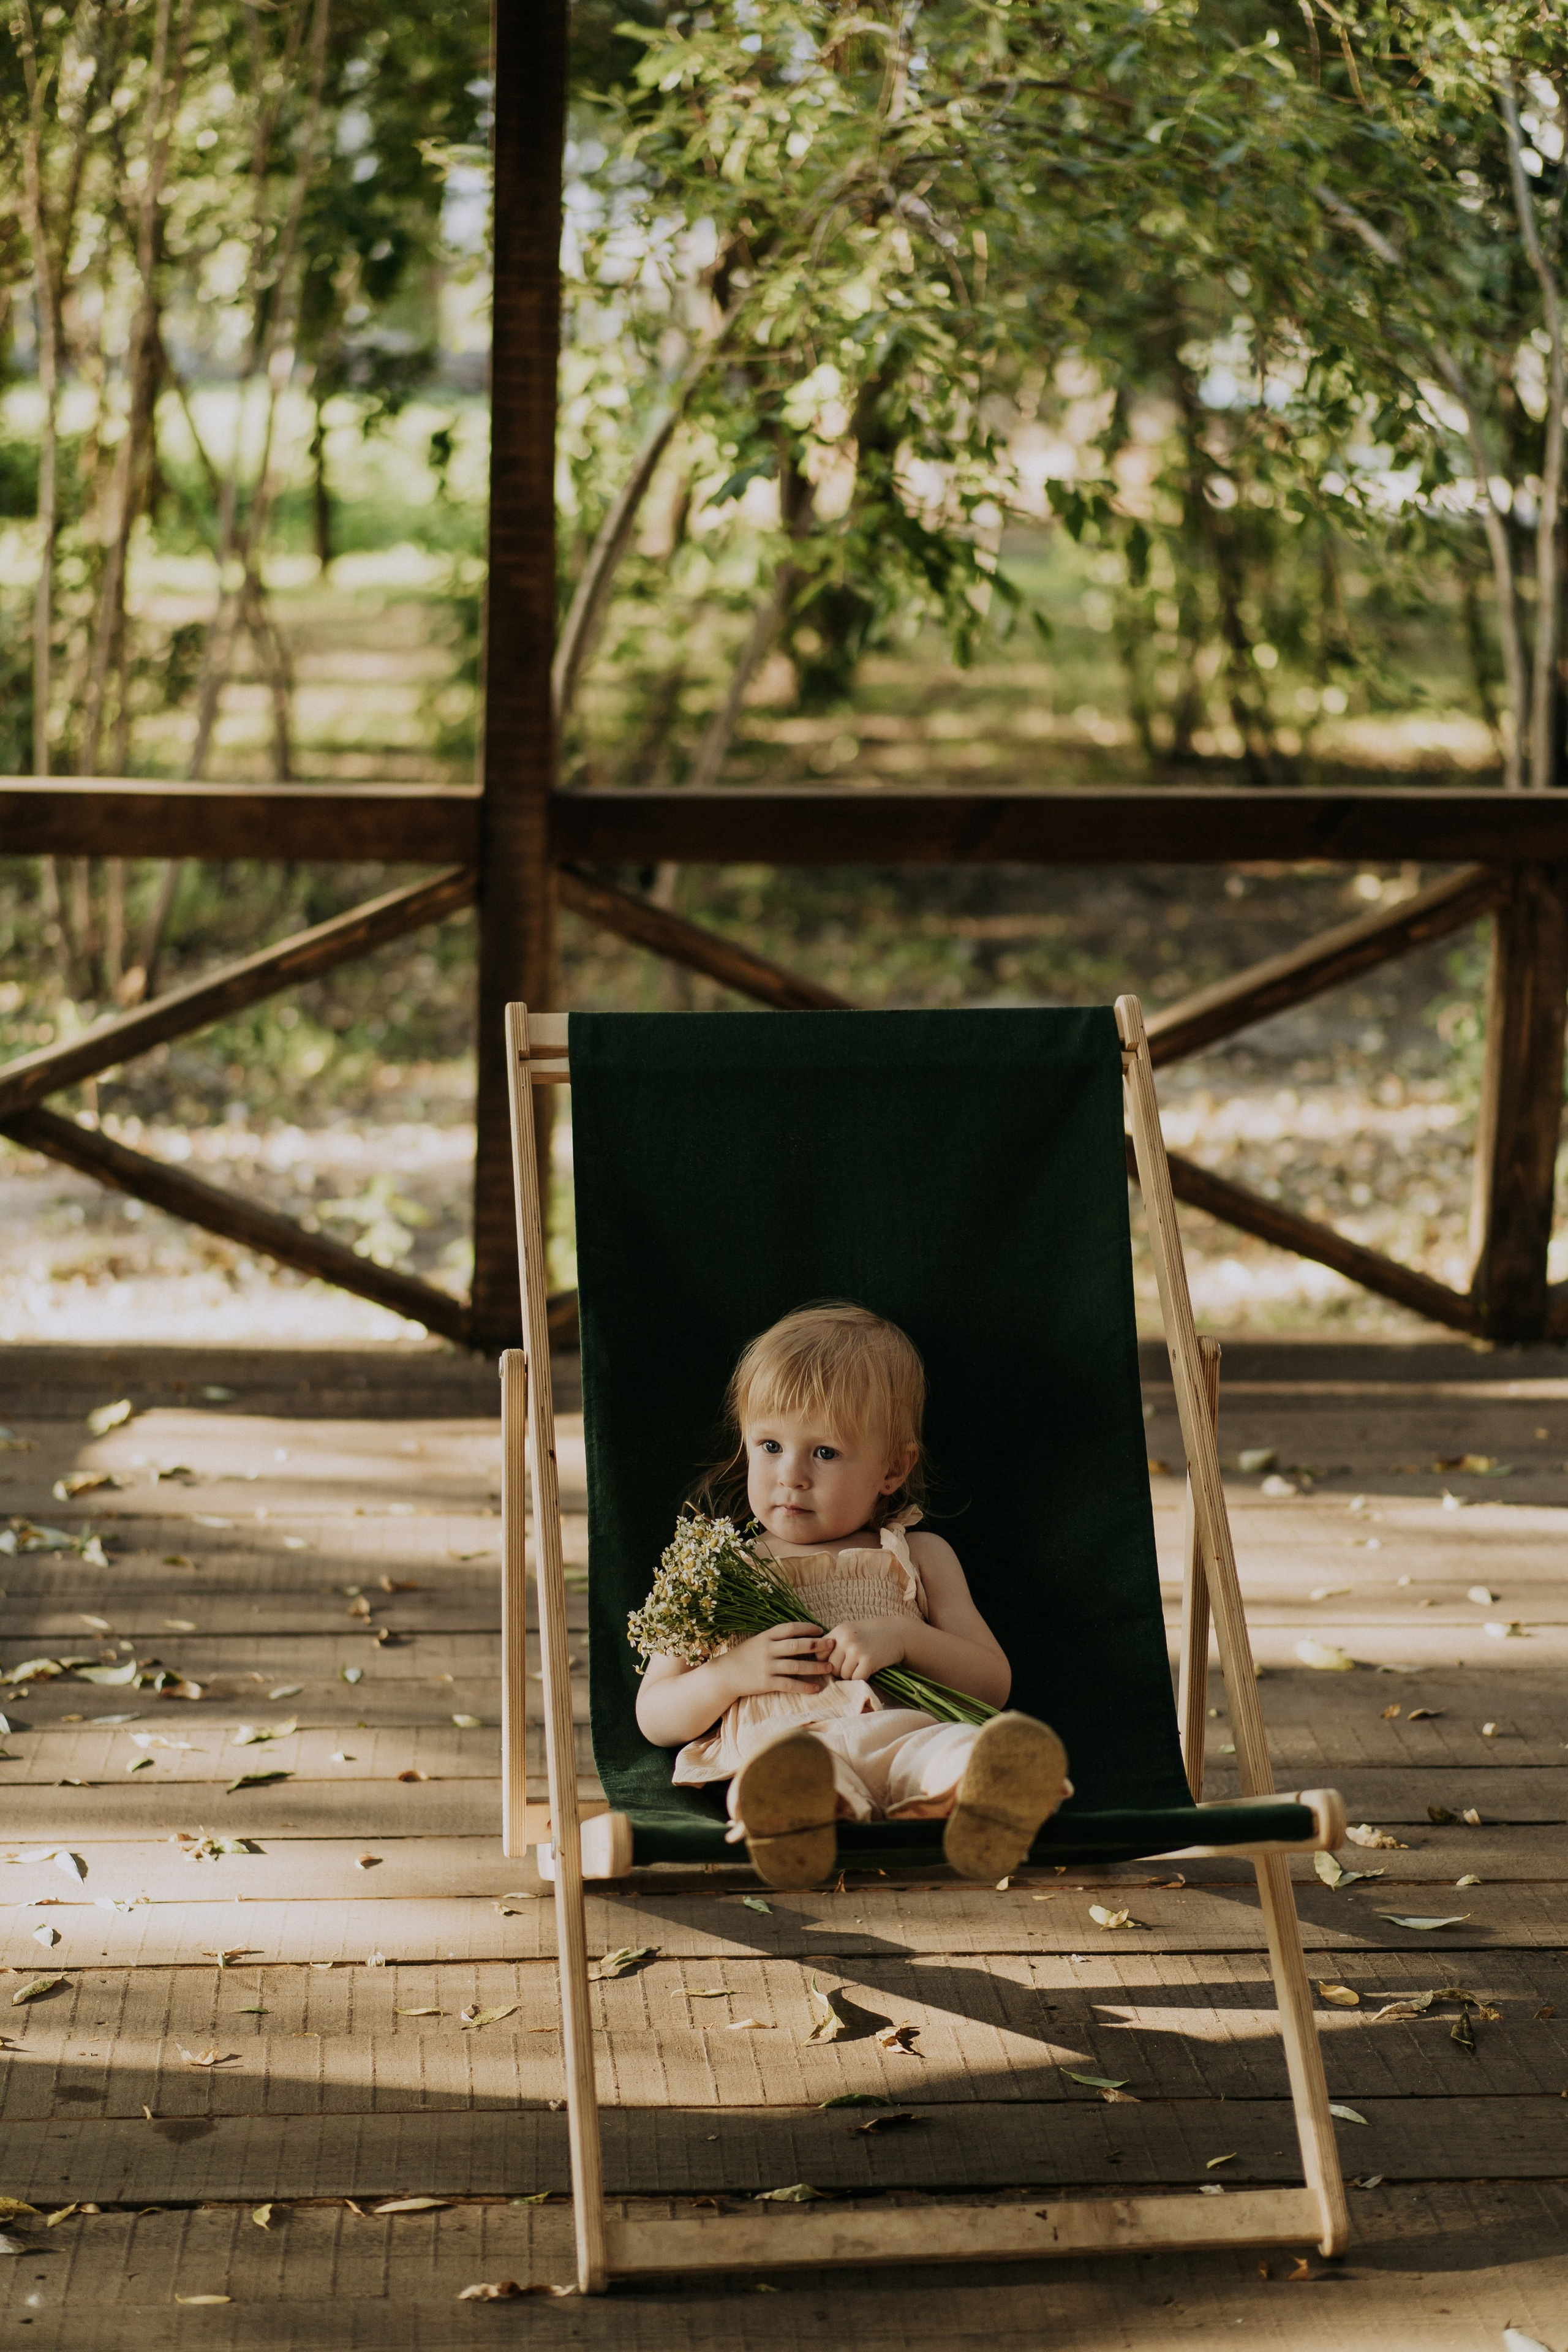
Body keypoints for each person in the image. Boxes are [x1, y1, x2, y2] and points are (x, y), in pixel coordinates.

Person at [635, 1302, 1071, 1888]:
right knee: (792, 1776)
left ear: (892, 1469)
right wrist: (730, 1674)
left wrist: (908, 1638)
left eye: (825, 1452)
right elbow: (654, 1716)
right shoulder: (720, 1571)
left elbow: (992, 1683)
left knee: (957, 1747)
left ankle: (986, 1804)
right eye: (769, 1446)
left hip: (904, 1732)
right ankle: (805, 1826)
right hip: (785, 1749)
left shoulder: (920, 1555)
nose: (791, 1474)